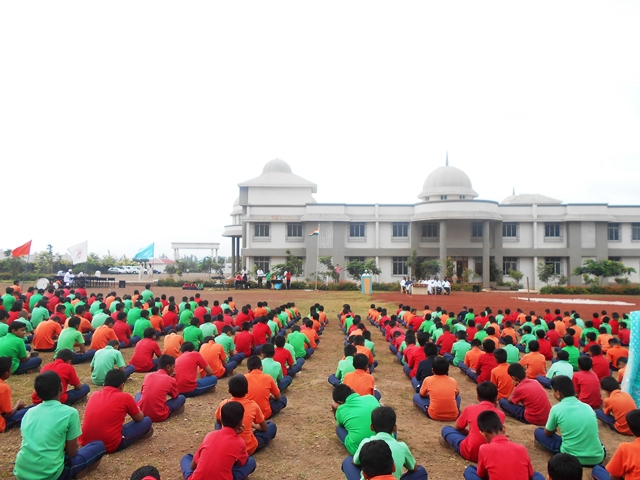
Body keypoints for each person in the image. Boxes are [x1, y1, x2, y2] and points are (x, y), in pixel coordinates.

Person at [14, 371, 106, 480]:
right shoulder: (70, 413)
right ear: (61, 387)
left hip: (21, 472)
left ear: (37, 393)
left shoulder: (29, 413)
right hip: (50, 474)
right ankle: (75, 472)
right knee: (99, 446)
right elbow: (71, 453)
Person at [534, 375, 605, 466]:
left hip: (572, 457)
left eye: (553, 391)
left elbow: (547, 433)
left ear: (558, 393)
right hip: (597, 458)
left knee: (538, 432)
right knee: (593, 441)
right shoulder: (588, 407)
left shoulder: (556, 409)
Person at [343, 406, 428, 480]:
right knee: (420, 471)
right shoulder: (402, 446)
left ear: (372, 427)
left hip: (369, 475)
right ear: (395, 428)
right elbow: (414, 468)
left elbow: (355, 462)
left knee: (349, 461)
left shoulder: (366, 443)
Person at [80, 369, 153, 453]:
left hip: (85, 442)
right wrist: (138, 409)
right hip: (110, 444)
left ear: (104, 384)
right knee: (147, 420)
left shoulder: (94, 395)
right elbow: (139, 418)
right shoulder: (125, 397)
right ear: (122, 386)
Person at [181, 401, 257, 480]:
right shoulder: (239, 442)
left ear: (220, 419)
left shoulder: (209, 436)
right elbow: (243, 462)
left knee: (187, 458)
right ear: (240, 423)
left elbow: (192, 466)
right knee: (251, 461)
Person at [462, 410, 544, 480]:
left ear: (484, 434)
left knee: (469, 470)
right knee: (537, 475)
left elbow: (481, 475)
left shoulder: (484, 449)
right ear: (504, 429)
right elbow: (530, 475)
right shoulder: (521, 448)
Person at [441, 382, 506, 462]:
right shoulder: (501, 414)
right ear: (496, 398)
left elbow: (457, 427)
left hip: (470, 452)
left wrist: (471, 433)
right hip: (489, 455)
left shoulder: (470, 409)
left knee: (446, 429)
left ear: (477, 397)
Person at [216, 374, 277, 455]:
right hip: (248, 448)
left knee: (218, 424)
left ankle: (223, 438)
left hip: (229, 444)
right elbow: (264, 428)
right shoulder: (253, 405)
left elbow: (219, 421)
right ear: (247, 391)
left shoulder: (224, 404)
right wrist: (253, 425)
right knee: (271, 426)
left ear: (229, 391)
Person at [591, 409, 640, 480]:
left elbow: (613, 477)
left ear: (630, 429)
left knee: (597, 469)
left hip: (619, 427)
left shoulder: (626, 448)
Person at [333, 384, 380, 455]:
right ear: (352, 390)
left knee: (339, 428)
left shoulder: (341, 409)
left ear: (340, 402)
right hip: (384, 442)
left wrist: (334, 409)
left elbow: (339, 423)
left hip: (361, 450)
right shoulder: (371, 398)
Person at [137, 355, 186, 423]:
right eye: (173, 367)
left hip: (143, 413)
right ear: (168, 367)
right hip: (159, 415)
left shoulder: (148, 375)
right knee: (181, 397)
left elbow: (142, 392)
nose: (174, 370)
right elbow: (175, 396)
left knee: (139, 394)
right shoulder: (170, 380)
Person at [413, 357, 460, 421]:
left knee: (416, 396)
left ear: (432, 370)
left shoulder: (428, 379)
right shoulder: (453, 381)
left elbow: (422, 394)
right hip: (454, 416)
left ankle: (432, 407)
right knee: (458, 397)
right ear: (448, 370)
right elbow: (456, 393)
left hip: (434, 415)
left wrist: (431, 394)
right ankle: (453, 409)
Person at [0, 356, 32, 432]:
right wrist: (17, 405)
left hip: (2, 414)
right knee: (32, 410)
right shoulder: (4, 387)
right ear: (6, 373)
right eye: (11, 368)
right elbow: (9, 413)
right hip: (2, 422)